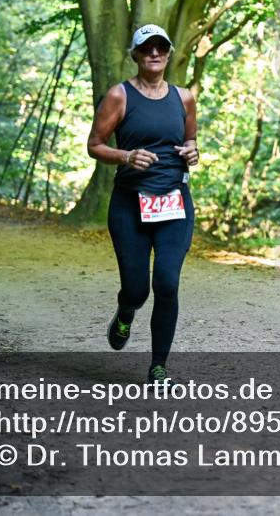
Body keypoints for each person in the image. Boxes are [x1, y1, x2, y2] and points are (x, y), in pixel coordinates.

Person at [86, 24, 198, 384]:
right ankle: (125, 310)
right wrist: (126, 156)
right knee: (137, 288)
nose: (154, 53)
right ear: (134, 54)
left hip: (174, 203)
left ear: (169, 53)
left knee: (167, 282)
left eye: (160, 48)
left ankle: (159, 365)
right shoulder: (119, 96)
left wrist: (193, 151)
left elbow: (191, 140)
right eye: (146, 48)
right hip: (130, 206)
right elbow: (95, 144)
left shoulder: (184, 98)